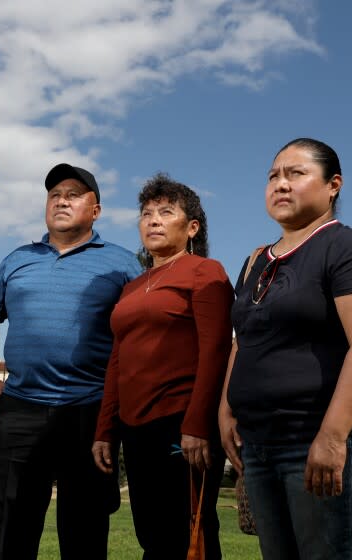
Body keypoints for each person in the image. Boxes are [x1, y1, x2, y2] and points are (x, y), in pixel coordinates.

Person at [218, 138, 352, 559]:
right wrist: (226, 408)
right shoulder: (255, 261)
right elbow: (243, 339)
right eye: (273, 177)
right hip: (259, 444)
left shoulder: (347, 247)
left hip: (317, 440)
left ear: (333, 184)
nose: (280, 184)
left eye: (295, 174)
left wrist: (332, 437)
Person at [0, 163, 142, 560]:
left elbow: (139, 331)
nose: (61, 201)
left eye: (73, 194)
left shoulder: (121, 263)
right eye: (54, 195)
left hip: (89, 411)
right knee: (8, 524)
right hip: (20, 409)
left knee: (84, 529)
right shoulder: (17, 259)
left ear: (95, 210)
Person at [92, 174, 233, 559]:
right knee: (152, 537)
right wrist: (105, 430)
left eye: (165, 212)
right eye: (146, 213)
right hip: (135, 429)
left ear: (191, 228)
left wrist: (197, 424)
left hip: (182, 425)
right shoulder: (133, 288)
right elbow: (117, 361)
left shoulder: (206, 272)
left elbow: (216, 350)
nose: (153, 220)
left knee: (190, 533)